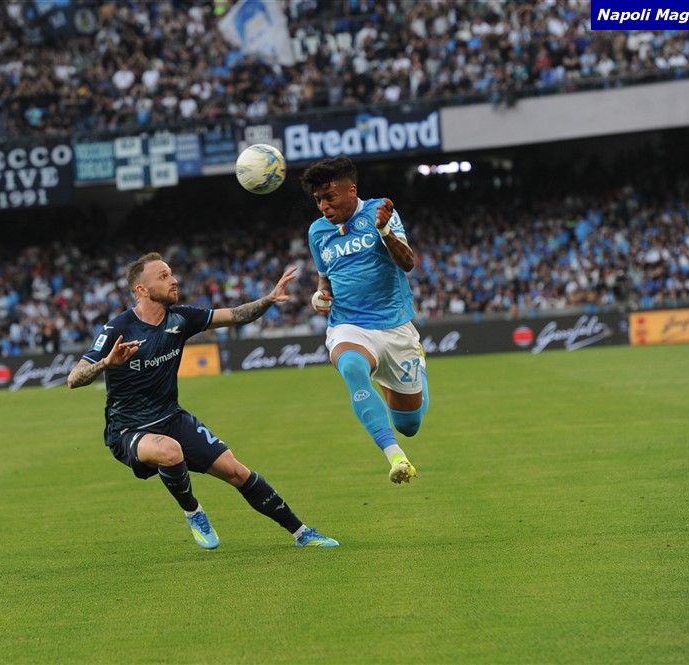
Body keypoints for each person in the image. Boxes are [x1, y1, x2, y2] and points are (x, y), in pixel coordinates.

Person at [66, 252, 339, 550]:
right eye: (163, 276)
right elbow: (74, 378)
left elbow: (236, 315)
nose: (173, 280)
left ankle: (302, 533)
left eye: (171, 273)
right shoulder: (117, 329)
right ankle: (194, 512)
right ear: (141, 289)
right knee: (170, 451)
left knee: (237, 471)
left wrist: (270, 298)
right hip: (128, 429)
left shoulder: (181, 318)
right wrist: (106, 363)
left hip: (172, 418)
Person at [299, 156, 429, 485]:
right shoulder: (317, 231)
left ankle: (415, 365)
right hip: (349, 325)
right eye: (318, 200)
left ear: (352, 191)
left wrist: (384, 230)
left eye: (329, 197)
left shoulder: (379, 212)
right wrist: (320, 294)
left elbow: (408, 263)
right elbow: (325, 278)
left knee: (410, 424)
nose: (323, 207)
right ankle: (396, 457)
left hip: (394, 326)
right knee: (353, 367)